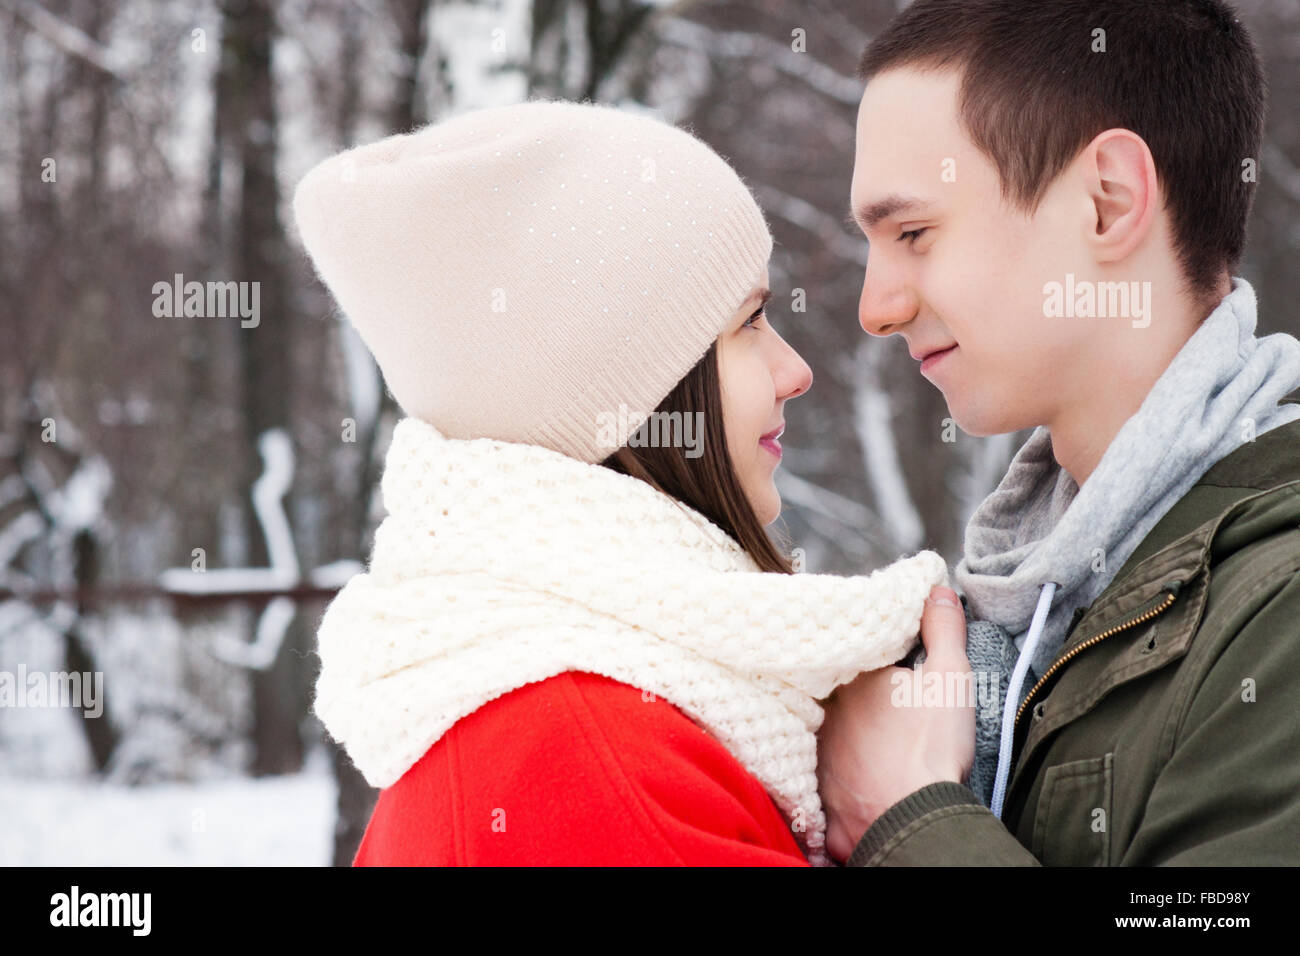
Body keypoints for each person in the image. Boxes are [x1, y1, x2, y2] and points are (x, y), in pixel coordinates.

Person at [293, 99, 955, 866]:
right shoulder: (596, 774)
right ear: (635, 399)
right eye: (747, 323)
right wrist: (915, 820)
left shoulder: (565, 711)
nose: (795, 371)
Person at [817, 0, 1300, 865]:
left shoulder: (1280, 610)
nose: (875, 309)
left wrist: (912, 821)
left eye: (915, 233)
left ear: (1109, 203)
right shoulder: (1011, 610)